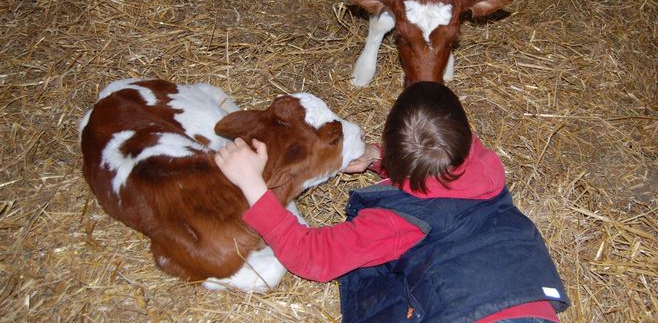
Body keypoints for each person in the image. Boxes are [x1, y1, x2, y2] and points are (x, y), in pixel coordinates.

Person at [215, 82, 570, 322]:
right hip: (534, 308)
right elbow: (437, 179)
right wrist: (375, 157)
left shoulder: (399, 221)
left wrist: (253, 186)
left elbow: (314, 257)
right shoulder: (483, 166)